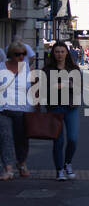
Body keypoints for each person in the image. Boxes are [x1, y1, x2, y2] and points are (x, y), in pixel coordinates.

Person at [42, 40, 83, 180]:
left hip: (71, 107)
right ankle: (59, 170)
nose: (59, 54)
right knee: (58, 141)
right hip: (55, 108)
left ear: (67, 53)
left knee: (73, 139)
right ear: (53, 53)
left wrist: (63, 84)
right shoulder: (47, 70)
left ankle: (68, 163)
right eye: (57, 52)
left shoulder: (74, 69)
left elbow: (78, 88)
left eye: (62, 52)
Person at [0, 41, 34, 180]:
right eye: (18, 54)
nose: (21, 57)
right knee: (5, 138)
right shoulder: (1, 68)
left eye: (23, 54)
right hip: (4, 108)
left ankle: (21, 163)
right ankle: (8, 169)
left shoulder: (26, 68)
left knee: (21, 139)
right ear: (10, 55)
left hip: (23, 109)